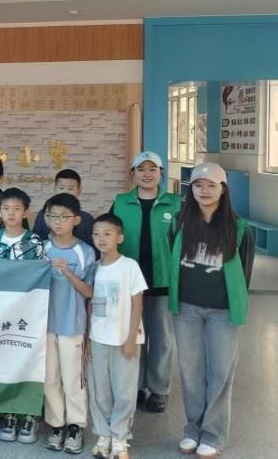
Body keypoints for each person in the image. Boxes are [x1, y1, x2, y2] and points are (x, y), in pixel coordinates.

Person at [169, 163, 254, 459]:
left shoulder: (239, 228)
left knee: (220, 373)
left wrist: (235, 306)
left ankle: (213, 435)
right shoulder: (180, 222)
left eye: (211, 185)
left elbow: (244, 273)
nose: (204, 190)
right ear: (190, 189)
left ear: (223, 189)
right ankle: (193, 429)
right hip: (186, 309)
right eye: (198, 185)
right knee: (190, 372)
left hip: (223, 312)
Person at [110, 151, 181, 413]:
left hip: (163, 283)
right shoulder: (120, 202)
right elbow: (110, 236)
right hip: (130, 285)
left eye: (153, 169)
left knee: (162, 339)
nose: (147, 174)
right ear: (133, 174)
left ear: (161, 173)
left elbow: (183, 243)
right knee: (134, 336)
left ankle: (159, 389)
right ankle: (136, 386)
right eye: (141, 169)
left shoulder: (175, 204)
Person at [87, 213, 147, 459]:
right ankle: (103, 435)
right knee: (100, 391)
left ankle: (120, 437)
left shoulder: (129, 266)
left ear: (119, 238)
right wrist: (87, 339)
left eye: (107, 234)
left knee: (124, 391)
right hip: (98, 338)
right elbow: (90, 304)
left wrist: (131, 338)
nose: (101, 238)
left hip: (124, 339)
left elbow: (137, 302)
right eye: (96, 234)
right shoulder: (93, 267)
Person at [42, 193, 96, 454]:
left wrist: (67, 272)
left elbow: (89, 291)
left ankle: (75, 425)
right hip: (44, 325)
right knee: (49, 377)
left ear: (76, 219)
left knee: (73, 378)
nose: (58, 221)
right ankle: (56, 424)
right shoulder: (41, 248)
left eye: (64, 217)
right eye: (53, 216)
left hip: (72, 323)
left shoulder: (85, 251)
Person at [0, 187, 45, 445]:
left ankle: (29, 415)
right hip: (1, 313)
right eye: (6, 208)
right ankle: (10, 413)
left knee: (29, 362)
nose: (11, 213)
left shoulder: (34, 242)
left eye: (16, 209)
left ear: (26, 212)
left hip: (29, 314)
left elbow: (42, 277)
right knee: (6, 361)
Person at [33, 169, 95, 246]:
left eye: (70, 189)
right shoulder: (43, 214)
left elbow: (93, 247)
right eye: (61, 188)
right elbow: (35, 243)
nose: (65, 192)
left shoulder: (87, 219)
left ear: (79, 191)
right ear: (55, 189)